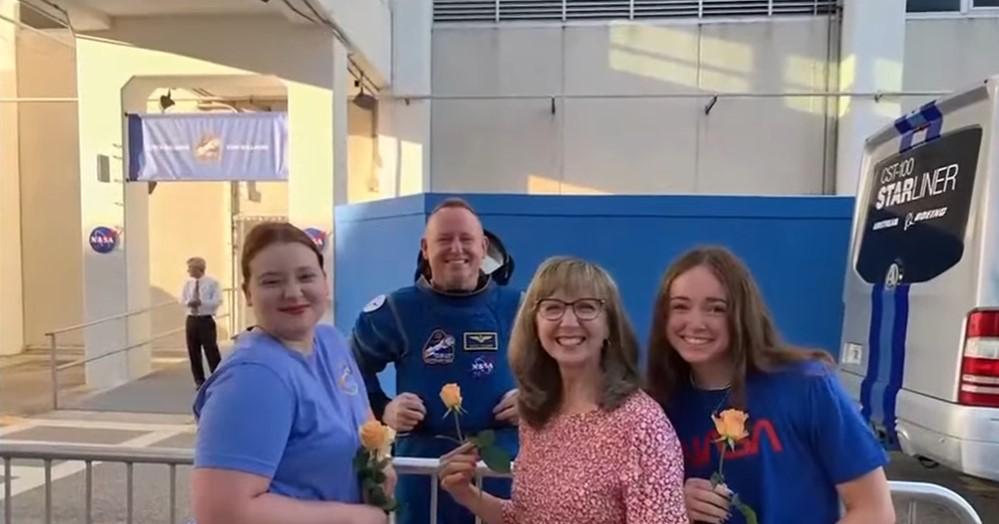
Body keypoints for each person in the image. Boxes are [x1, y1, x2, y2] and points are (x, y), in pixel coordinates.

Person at [645, 246, 895, 524]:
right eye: (680, 306)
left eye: (716, 308)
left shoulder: (808, 385)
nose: (695, 323)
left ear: (742, 313)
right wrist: (670, 501)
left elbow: (875, 511)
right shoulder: (655, 408)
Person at [438, 256, 689, 524]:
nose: (569, 322)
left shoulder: (642, 425)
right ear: (535, 324)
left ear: (610, 326)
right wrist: (465, 492)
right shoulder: (538, 416)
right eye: (553, 308)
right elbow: (527, 518)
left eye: (586, 307)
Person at [191, 222, 393, 524]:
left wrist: (380, 469)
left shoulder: (332, 344)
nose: (293, 292)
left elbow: (365, 425)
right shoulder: (253, 378)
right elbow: (222, 512)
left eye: (306, 276)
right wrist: (357, 518)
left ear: (325, 283)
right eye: (272, 282)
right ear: (248, 293)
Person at [350, 198, 522, 524]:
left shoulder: (520, 308)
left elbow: (566, 371)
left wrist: (534, 401)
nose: (456, 249)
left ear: (483, 247)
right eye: (444, 240)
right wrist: (383, 410)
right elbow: (346, 371)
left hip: (503, 475)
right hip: (423, 479)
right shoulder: (395, 311)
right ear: (425, 248)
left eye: (466, 239)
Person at [181, 257, 223, 388]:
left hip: (205, 319)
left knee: (211, 349)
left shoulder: (213, 283)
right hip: (192, 319)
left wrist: (202, 303)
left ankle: (218, 377)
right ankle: (199, 379)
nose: (188, 271)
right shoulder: (188, 284)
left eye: (191, 268)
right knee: (193, 350)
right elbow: (182, 299)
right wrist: (189, 303)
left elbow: (218, 300)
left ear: (198, 268)